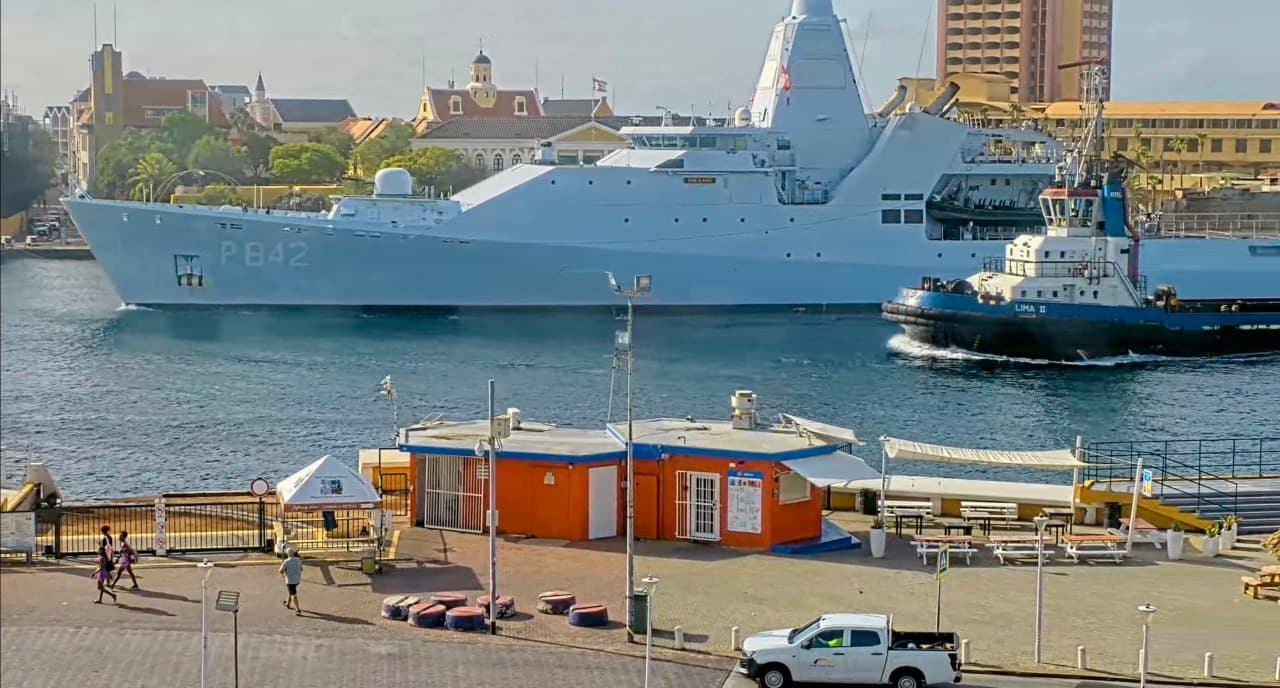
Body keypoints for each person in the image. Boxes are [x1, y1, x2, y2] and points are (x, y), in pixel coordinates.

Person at [279, 549, 303, 616]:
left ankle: (297, 609)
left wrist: (284, 574)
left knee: (293, 595)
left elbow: (280, 570)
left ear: (287, 554)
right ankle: (287, 604)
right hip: (297, 580)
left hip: (290, 580)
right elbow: (301, 569)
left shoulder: (286, 561)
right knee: (292, 591)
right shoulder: (298, 560)